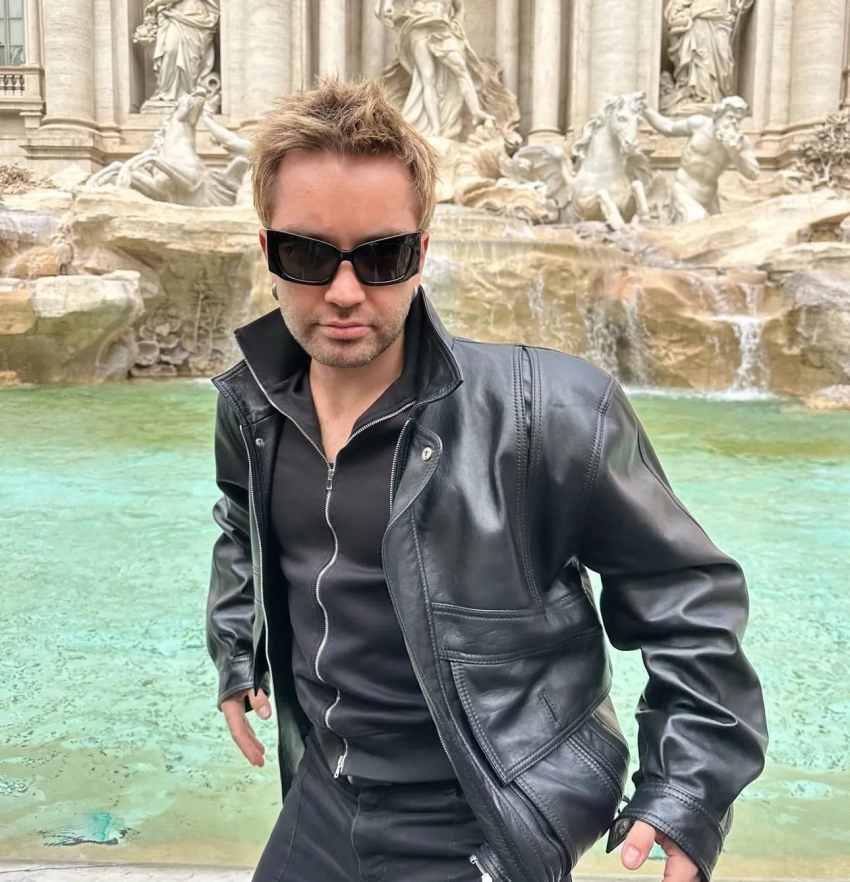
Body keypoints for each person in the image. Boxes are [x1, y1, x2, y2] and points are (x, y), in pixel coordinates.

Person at [206, 77, 767, 882]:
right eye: (308, 255)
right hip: (323, 795)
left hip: (481, 822)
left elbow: (687, 598)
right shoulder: (253, 406)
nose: (345, 292)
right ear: (268, 253)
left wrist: (688, 789)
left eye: (384, 256)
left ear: (423, 253)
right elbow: (241, 524)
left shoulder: (555, 410)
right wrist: (239, 652)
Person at [377, 0, 499, 139]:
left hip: (442, 26)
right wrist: (387, 4)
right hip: (418, 24)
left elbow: (459, 7)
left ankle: (476, 111)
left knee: (461, 69)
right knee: (427, 79)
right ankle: (435, 129)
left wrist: (457, 22)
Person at [643, 95, 759, 222]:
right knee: (697, 220)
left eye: (738, 120)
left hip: (709, 199)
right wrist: (645, 109)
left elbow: (753, 174)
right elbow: (668, 128)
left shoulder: (740, 143)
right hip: (684, 191)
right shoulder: (699, 125)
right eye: (730, 117)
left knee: (720, 231)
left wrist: (734, 153)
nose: (733, 123)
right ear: (719, 115)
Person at [143, 0, 220, 103]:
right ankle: (166, 91)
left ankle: (188, 92)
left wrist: (156, 3)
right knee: (170, 50)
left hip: (193, 13)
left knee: (192, 58)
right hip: (172, 14)